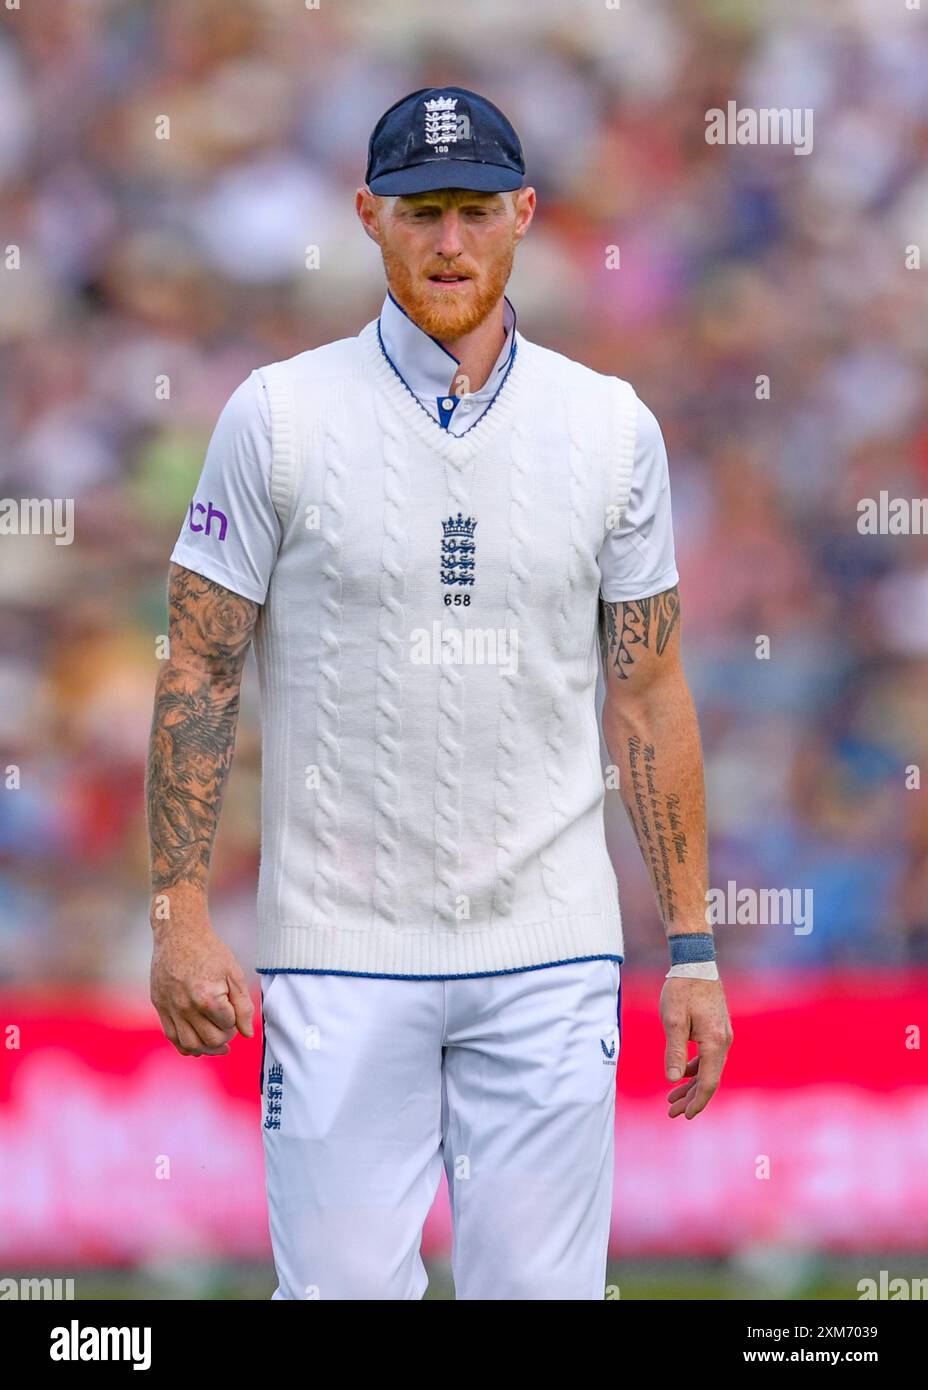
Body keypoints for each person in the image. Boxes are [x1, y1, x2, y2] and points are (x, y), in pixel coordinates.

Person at [145, 86, 733, 1301]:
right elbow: (199, 663)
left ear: (525, 213)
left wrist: (691, 948)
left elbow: (649, 692)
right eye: (420, 212)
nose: (449, 243)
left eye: (473, 211)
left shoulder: (610, 428)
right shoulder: (278, 418)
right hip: (338, 951)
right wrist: (177, 913)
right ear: (368, 215)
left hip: (549, 949)